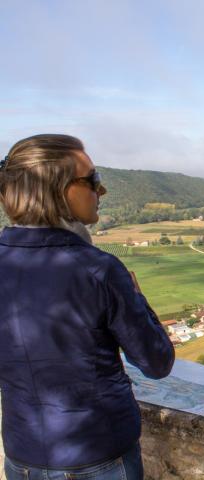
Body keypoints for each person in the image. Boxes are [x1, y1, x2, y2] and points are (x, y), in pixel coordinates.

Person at [0, 134, 175, 480]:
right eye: (92, 180)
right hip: (98, 455)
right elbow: (157, 362)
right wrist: (137, 299)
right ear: (57, 190)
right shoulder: (98, 270)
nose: (102, 191)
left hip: (22, 456)